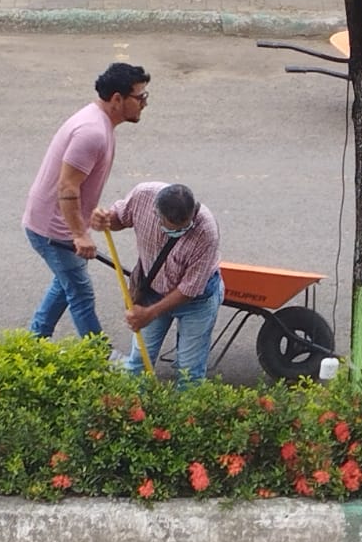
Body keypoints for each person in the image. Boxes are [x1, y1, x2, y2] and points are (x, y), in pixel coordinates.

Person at [22, 62, 151, 339]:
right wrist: (79, 234)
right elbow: (67, 186)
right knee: (80, 292)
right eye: (140, 97)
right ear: (117, 99)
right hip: (53, 230)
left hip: (58, 224)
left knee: (66, 283)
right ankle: (98, 355)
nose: (144, 104)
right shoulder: (92, 132)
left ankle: (35, 339)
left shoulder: (100, 123)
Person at [91, 182, 223, 382]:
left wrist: (150, 313)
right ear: (156, 213)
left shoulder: (206, 230)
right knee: (139, 363)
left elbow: (189, 290)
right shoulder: (143, 196)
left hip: (197, 300)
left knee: (190, 372)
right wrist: (105, 220)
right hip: (153, 291)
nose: (179, 232)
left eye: (185, 227)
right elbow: (118, 219)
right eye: (172, 229)